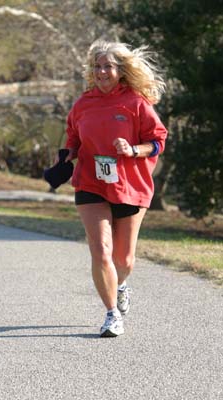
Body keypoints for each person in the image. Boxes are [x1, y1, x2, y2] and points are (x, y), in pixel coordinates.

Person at [59, 40, 168, 337]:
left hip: (130, 185)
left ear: (120, 70)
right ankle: (111, 314)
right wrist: (66, 155)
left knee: (124, 259)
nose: (102, 72)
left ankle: (120, 286)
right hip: (90, 183)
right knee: (101, 251)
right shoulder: (83, 104)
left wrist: (133, 150)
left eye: (108, 66)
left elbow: (158, 141)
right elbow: (73, 137)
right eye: (97, 66)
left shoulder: (135, 103)